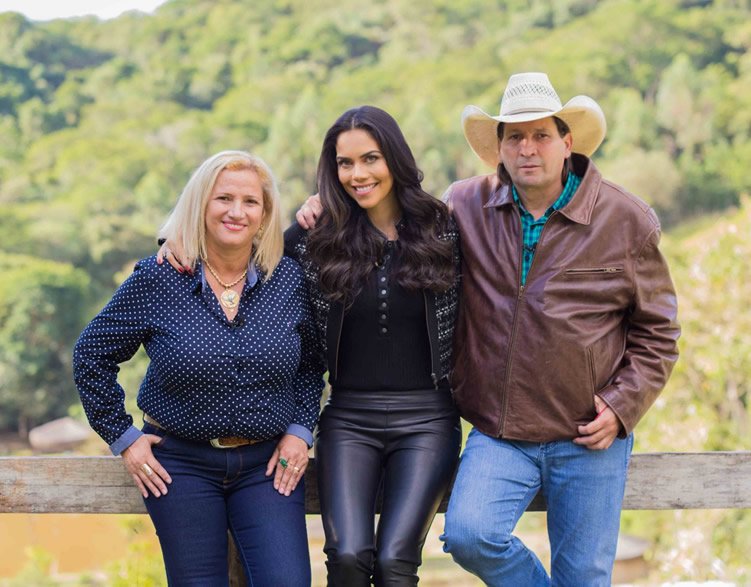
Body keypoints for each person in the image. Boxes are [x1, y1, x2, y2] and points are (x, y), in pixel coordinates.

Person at [162, 106, 462, 585]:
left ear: (395, 159)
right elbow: (241, 253)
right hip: (349, 417)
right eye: (345, 163)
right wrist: (175, 242)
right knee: (347, 555)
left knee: (395, 561)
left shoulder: (442, 228)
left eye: (371, 158)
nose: (358, 174)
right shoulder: (316, 236)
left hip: (427, 418)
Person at [438, 72, 681, 586]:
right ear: (500, 147)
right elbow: (397, 229)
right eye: (515, 137)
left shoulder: (626, 219)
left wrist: (622, 405)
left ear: (567, 142)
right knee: (469, 535)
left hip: (589, 434)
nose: (528, 148)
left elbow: (658, 333)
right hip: (499, 432)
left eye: (541, 135)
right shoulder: (463, 206)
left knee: (584, 577)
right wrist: (323, 210)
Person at [73, 150, 325, 586]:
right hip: (180, 465)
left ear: (265, 215)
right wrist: (124, 438)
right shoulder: (157, 278)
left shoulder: (287, 279)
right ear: (200, 205)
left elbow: (310, 364)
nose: (236, 211)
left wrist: (301, 430)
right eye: (223, 198)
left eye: (250, 201)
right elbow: (90, 354)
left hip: (267, 465)